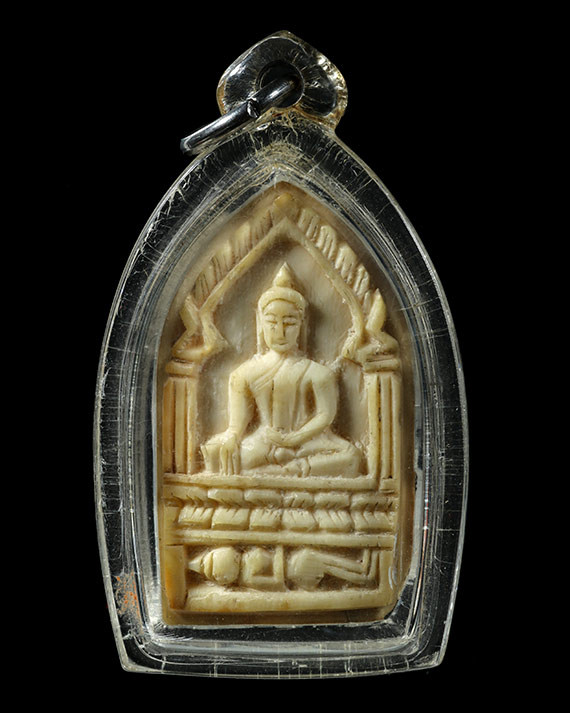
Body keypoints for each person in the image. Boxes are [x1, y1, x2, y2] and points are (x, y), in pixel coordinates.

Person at [201, 263, 361, 476]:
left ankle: (284, 471)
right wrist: (231, 438)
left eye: (289, 323)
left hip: (307, 443)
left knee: (351, 456)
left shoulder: (318, 373)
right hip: (264, 442)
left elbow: (325, 416)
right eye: (272, 322)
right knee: (217, 454)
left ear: (302, 324)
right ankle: (287, 471)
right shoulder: (243, 374)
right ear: (261, 323)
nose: (280, 331)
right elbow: (236, 426)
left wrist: (293, 439)